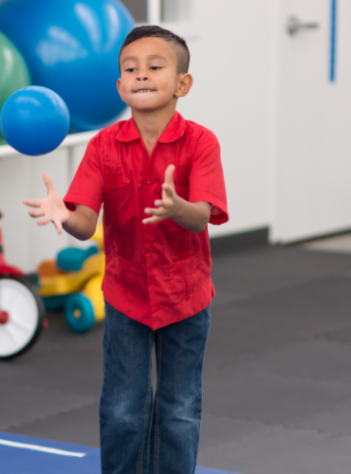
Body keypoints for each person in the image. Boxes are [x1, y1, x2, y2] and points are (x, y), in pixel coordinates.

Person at [24, 26, 228, 474]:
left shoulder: (201, 142)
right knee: (121, 409)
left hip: (186, 297)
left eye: (155, 67)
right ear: (119, 86)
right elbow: (84, 224)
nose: (141, 76)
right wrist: (63, 214)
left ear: (182, 84)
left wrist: (178, 207)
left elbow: (205, 215)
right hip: (126, 296)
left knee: (179, 408)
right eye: (130, 69)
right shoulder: (102, 146)